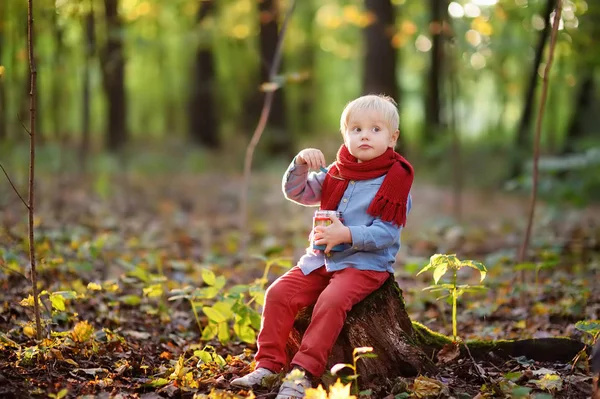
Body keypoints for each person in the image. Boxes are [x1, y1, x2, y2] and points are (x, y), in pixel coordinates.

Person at [231, 94, 414, 399]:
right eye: (356, 129)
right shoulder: (336, 172)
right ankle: (268, 366)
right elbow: (298, 191)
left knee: (330, 302)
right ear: (346, 135)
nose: (364, 135)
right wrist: (300, 164)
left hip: (365, 265)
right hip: (323, 259)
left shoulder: (394, 181)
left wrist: (347, 234)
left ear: (392, 138)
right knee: (278, 293)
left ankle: (302, 373)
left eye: (375, 129)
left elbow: (386, 233)